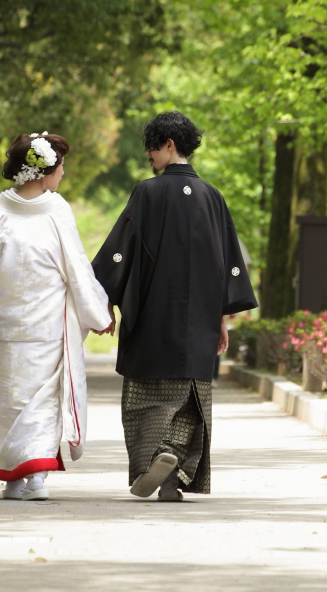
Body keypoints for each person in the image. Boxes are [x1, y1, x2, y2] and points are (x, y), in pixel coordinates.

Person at [0, 132, 113, 500]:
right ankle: (19, 478)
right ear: (42, 171)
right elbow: (76, 267)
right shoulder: (18, 209)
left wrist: (97, 314)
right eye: (61, 166)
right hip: (14, 328)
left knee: (24, 400)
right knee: (11, 401)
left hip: (35, 326)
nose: (63, 173)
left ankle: (33, 479)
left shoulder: (23, 209)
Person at [92, 112, 258, 502]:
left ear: (169, 145)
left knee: (144, 399)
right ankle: (173, 472)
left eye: (152, 146)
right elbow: (227, 265)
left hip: (151, 316)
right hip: (199, 320)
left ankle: (153, 457)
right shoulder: (213, 197)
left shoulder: (147, 193)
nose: (149, 154)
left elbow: (120, 253)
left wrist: (105, 305)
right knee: (189, 399)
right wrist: (221, 320)